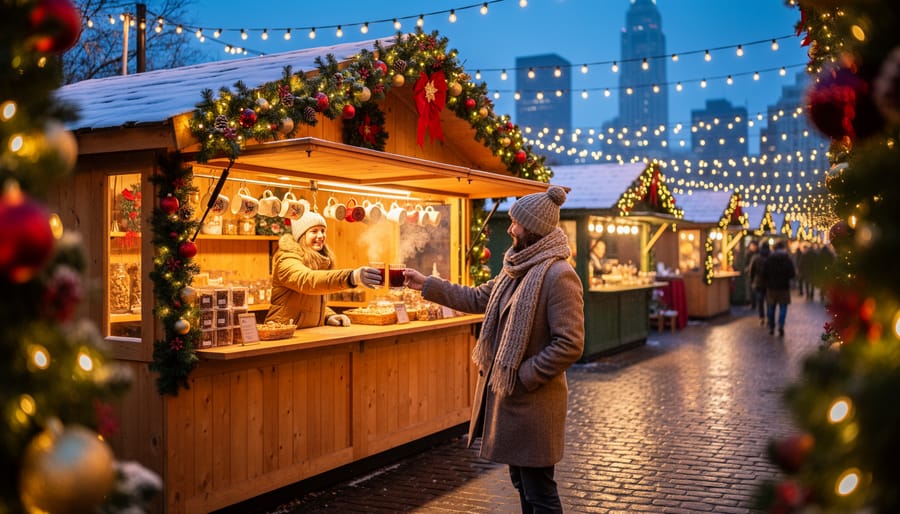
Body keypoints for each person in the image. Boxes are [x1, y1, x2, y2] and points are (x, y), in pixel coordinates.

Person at [404, 186, 584, 513]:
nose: (511, 229)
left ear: (534, 229)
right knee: (523, 484)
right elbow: (477, 298)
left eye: (517, 224)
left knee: (539, 491)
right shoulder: (516, 268)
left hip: (534, 402)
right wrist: (425, 284)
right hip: (512, 401)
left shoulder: (559, 275)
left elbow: (570, 344)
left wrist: (523, 375)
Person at [265, 209, 381, 328]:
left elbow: (308, 303)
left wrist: (327, 316)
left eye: (323, 231)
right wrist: (352, 276)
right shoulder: (287, 259)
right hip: (280, 333)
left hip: (304, 334)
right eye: (314, 231)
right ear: (301, 236)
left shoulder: (318, 260)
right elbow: (308, 281)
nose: (320, 236)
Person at [761, 240, 796, 337]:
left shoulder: (769, 259)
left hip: (771, 288)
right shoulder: (787, 259)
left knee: (771, 308)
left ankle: (772, 327)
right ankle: (781, 325)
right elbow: (792, 273)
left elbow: (764, 274)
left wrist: (768, 282)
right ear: (783, 249)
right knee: (783, 307)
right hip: (784, 287)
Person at [747, 241, 769, 325]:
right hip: (768, 284)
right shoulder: (770, 257)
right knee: (768, 302)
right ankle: (769, 317)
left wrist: (752, 281)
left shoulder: (756, 257)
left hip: (758, 283)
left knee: (760, 301)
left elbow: (751, 270)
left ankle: (761, 317)